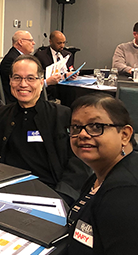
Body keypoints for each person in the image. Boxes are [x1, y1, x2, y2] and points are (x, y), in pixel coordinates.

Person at [0, 55, 90, 204]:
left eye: (30, 78)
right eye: (17, 78)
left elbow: (79, 161)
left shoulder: (64, 116)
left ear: (41, 82)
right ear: (10, 81)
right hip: (4, 191)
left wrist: (63, 197)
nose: (23, 84)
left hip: (51, 193)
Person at [67, 93, 137, 254]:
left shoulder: (125, 193)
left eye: (96, 127)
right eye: (76, 127)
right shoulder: (99, 175)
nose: (83, 134)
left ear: (124, 135)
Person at [34, 31, 77, 100]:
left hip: (68, 88)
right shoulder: (41, 55)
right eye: (59, 43)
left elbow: (70, 68)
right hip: (52, 89)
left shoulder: (68, 54)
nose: (62, 45)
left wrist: (73, 73)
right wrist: (62, 76)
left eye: (64, 43)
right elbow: (40, 73)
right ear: (50, 42)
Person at [0, 31, 35, 104]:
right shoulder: (12, 60)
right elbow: (22, 82)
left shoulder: (18, 56)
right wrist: (46, 82)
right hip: (17, 99)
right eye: (30, 40)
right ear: (20, 42)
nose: (33, 43)